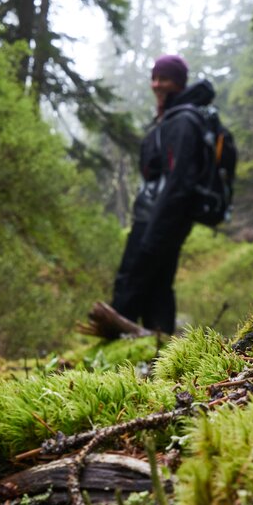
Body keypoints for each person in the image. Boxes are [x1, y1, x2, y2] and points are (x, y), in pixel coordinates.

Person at [93, 54, 215, 336]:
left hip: (160, 217)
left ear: (179, 83)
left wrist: (156, 230)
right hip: (161, 216)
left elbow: (178, 181)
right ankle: (157, 356)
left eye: (165, 79)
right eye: (155, 78)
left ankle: (110, 360)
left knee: (130, 283)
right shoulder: (171, 119)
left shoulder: (182, 121)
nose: (157, 84)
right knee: (158, 286)